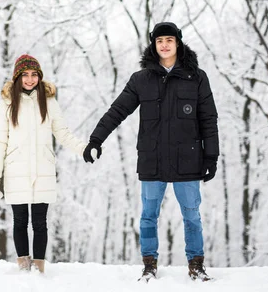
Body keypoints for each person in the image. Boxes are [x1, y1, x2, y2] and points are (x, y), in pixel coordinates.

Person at [82, 22, 219, 282]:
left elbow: (208, 118)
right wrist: (96, 140)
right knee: (148, 216)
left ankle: (196, 264)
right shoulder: (141, 79)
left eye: (169, 39)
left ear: (178, 42)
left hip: (188, 158)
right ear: (153, 45)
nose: (164, 45)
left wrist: (211, 156)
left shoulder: (197, 78)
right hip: (151, 158)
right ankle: (149, 264)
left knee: (191, 214)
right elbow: (117, 111)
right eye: (159, 41)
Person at [0, 54, 86, 273]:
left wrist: (83, 148)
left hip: (43, 168)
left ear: (39, 77)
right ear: (17, 77)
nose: (30, 80)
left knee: (40, 222)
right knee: (20, 220)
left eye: (34, 75)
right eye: (25, 75)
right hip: (16, 169)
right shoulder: (6, 104)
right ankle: (24, 268)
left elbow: (62, 133)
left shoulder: (49, 102)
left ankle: (39, 269)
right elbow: (0, 141)